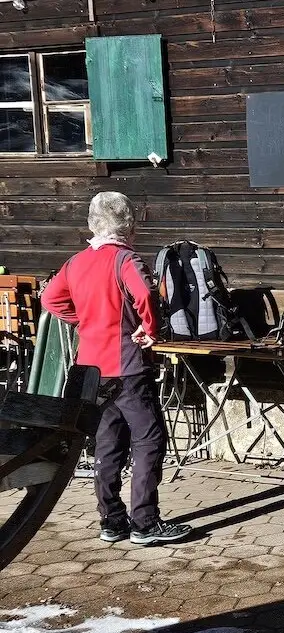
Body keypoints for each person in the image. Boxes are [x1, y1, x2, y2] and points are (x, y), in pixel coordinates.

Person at [41, 192, 193, 545]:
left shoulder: (76, 262)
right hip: (126, 364)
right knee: (149, 438)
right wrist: (149, 328)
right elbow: (143, 293)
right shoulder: (125, 259)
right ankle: (145, 522)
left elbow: (50, 299)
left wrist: (82, 321)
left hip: (90, 368)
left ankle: (111, 520)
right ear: (128, 225)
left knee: (107, 442)